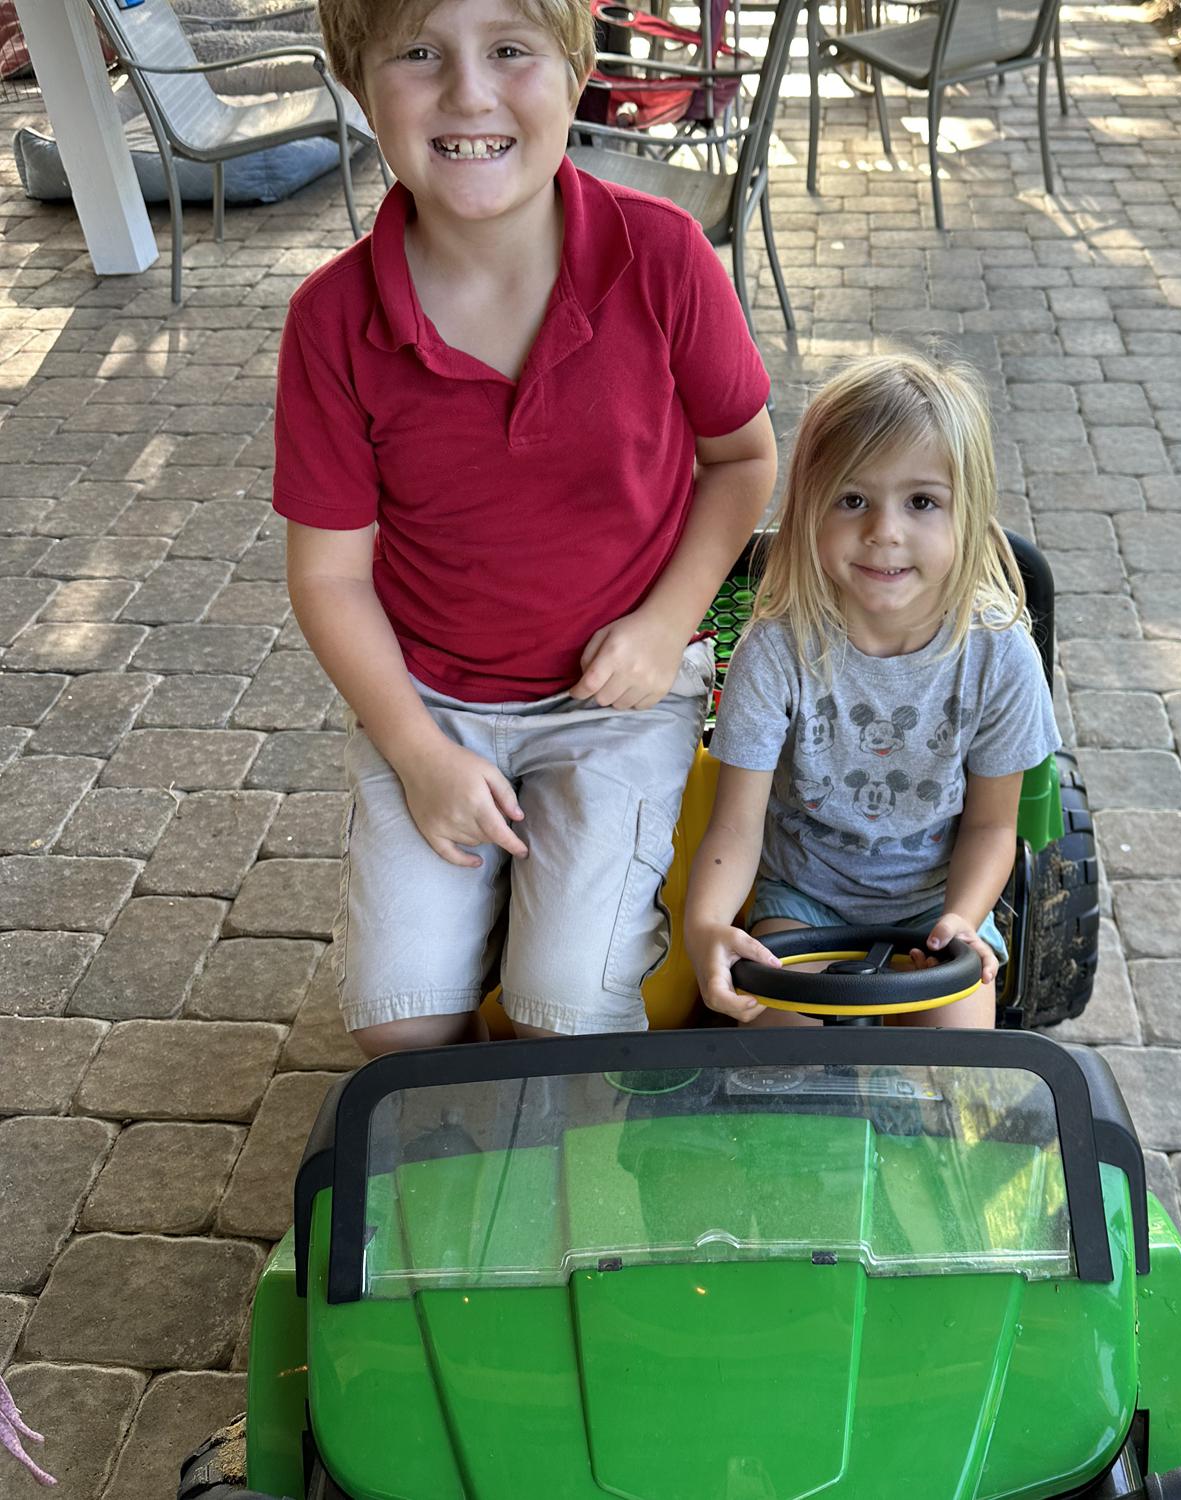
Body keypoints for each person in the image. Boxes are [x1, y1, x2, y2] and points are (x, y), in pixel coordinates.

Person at [275, 0, 776, 1053]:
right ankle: (457, 1155)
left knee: (565, 1015)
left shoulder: (666, 256)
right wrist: (415, 751)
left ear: (576, 68)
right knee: (399, 1030)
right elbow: (329, 578)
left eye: (509, 50)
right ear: (361, 87)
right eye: (418, 54)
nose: (467, 93)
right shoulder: (331, 320)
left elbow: (741, 460)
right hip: (431, 702)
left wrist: (663, 623)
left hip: (616, 703)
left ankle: (558, 1140)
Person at [685, 354, 1059, 1029]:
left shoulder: (1000, 655)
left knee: (954, 1063)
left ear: (966, 514)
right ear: (810, 511)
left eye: (921, 502)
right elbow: (736, 825)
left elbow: (992, 825)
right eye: (853, 499)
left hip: (938, 902)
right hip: (803, 898)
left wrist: (959, 921)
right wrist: (707, 925)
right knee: (781, 1057)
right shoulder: (774, 651)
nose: (885, 531)